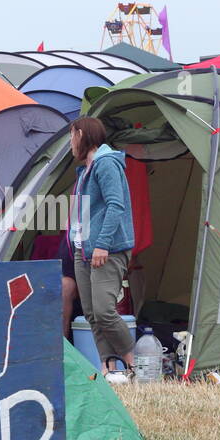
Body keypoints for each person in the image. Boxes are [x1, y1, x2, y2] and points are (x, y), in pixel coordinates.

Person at [68, 116, 135, 383]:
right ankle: (108, 369)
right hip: (83, 250)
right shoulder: (86, 170)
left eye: (72, 136)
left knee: (105, 310)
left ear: (82, 134)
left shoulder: (106, 164)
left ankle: (134, 365)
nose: (70, 143)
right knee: (92, 313)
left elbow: (115, 206)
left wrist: (102, 244)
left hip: (106, 249)